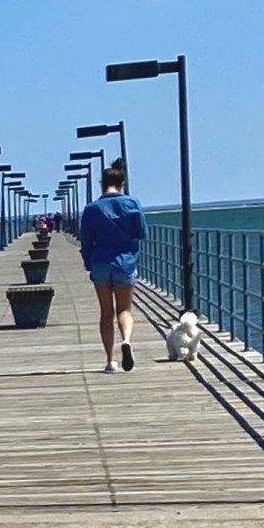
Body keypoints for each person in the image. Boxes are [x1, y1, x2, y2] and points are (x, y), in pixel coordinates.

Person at [79, 158, 147, 373]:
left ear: (102, 183)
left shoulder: (91, 209)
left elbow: (86, 240)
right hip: (125, 261)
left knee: (106, 312)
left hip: (100, 261)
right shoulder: (132, 203)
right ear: (122, 183)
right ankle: (126, 340)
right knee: (124, 309)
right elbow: (142, 232)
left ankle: (110, 360)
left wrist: (87, 262)